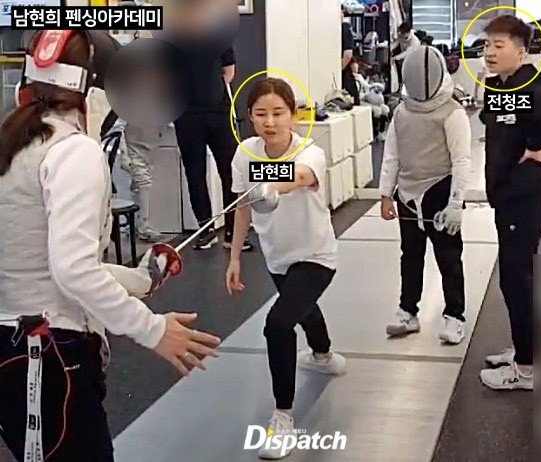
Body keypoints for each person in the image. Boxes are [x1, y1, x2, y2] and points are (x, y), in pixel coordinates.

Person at [0, 30, 221, 462]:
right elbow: (72, 270)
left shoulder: (18, 141)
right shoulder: (73, 152)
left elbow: (49, 259)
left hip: (18, 346)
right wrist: (153, 329)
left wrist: (140, 278)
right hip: (48, 353)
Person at [226, 78, 347, 460]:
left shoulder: (310, 151)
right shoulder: (245, 153)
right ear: (250, 117)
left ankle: (282, 418)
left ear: (293, 115)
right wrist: (234, 257)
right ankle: (323, 355)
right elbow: (243, 207)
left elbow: (302, 177)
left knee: (278, 323)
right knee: (302, 308)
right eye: (261, 114)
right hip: (277, 255)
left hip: (316, 255)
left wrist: (271, 187)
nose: (270, 122)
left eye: (278, 113)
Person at [478, 15, 541, 390]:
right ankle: (524, 349)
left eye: (499, 45)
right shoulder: (501, 85)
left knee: (518, 280)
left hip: (525, 196)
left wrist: (535, 146)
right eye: (487, 45)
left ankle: (528, 369)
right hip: (508, 195)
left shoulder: (529, 84)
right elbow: (494, 119)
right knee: (516, 277)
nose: (490, 52)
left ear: (520, 50)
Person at [379, 46, 471, 345]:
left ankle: (455, 315)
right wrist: (386, 194)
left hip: (439, 193)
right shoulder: (401, 112)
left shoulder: (452, 112)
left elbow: (461, 161)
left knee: (448, 257)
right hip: (407, 194)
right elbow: (392, 155)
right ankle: (408, 311)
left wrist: (455, 203)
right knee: (410, 255)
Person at [174, 45, 254, 251]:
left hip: (219, 111)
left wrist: (210, 91)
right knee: (195, 173)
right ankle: (206, 230)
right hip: (186, 114)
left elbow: (229, 72)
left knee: (230, 171)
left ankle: (232, 232)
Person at [391, 22, 421, 91]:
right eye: (401, 32)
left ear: (408, 32)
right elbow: (395, 43)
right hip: (404, 61)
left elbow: (407, 53)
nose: (401, 34)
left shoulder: (414, 41)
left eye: (403, 33)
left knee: (411, 79)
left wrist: (396, 58)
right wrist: (389, 49)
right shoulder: (401, 36)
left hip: (414, 62)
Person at [341, 9, 360, 105]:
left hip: (344, 75)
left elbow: (348, 54)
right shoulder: (344, 28)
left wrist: (339, 69)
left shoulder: (344, 28)